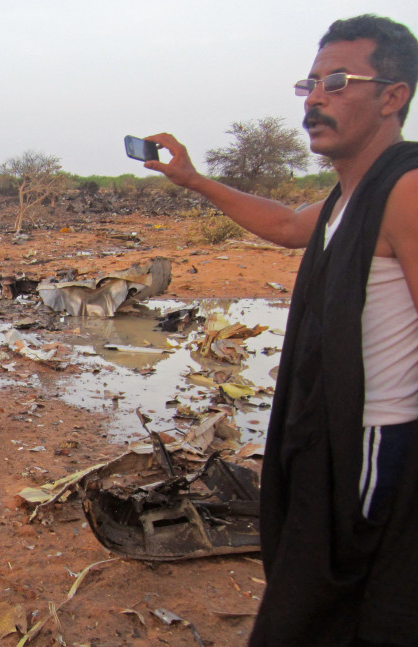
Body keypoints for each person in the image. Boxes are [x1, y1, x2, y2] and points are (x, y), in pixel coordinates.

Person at [144, 15, 418, 647]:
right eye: (311, 83)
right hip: (328, 436)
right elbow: (287, 224)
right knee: (317, 593)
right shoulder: (351, 194)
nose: (316, 98)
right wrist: (193, 179)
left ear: (393, 96)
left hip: (373, 444)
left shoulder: (405, 188)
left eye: (339, 81)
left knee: (337, 602)